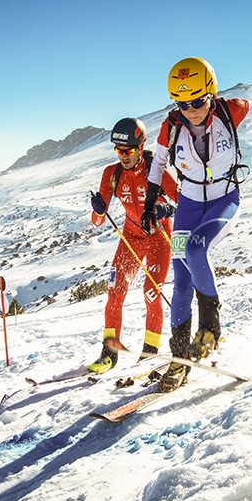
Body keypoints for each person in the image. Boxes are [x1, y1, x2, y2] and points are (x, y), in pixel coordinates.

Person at [141, 57, 252, 391]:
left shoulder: (232, 110)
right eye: (182, 104)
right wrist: (150, 200)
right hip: (187, 205)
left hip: (223, 201)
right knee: (181, 274)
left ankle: (211, 328)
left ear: (211, 93)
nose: (191, 110)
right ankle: (180, 358)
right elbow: (157, 162)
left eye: (198, 101)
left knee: (197, 250)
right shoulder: (172, 126)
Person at [88, 118, 179, 374]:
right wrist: (99, 210)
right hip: (130, 239)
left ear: (141, 147)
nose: (123, 156)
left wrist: (167, 208)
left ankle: (149, 353)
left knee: (151, 292)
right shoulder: (112, 174)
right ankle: (109, 353)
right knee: (115, 292)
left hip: (159, 237)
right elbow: (97, 222)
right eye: (118, 150)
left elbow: (184, 201)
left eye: (128, 150)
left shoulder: (157, 170)